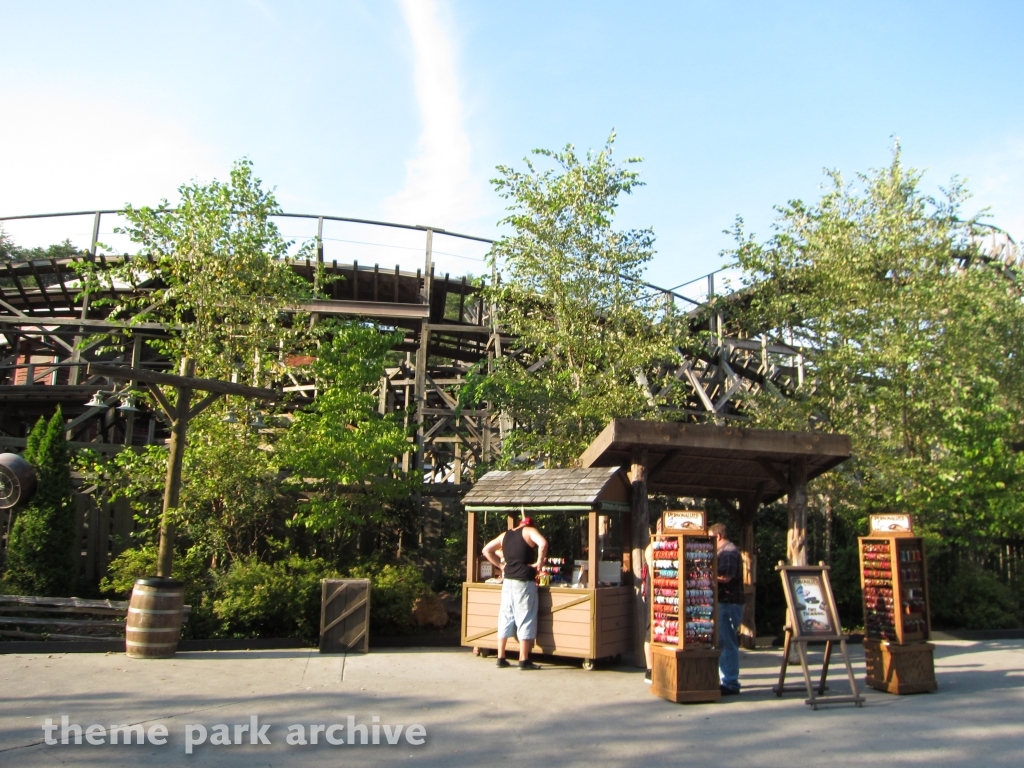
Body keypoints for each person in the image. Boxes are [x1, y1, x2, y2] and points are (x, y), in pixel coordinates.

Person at [482, 516, 548, 670]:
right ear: (530, 525)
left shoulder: (505, 535)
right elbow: (543, 543)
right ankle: (523, 659)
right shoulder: (529, 531)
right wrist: (539, 561)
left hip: (508, 581)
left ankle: (501, 657)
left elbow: (486, 550)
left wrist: (500, 565)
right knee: (525, 617)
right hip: (524, 581)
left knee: (505, 616)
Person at [710, 522, 744, 695]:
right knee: (722, 641)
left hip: (728, 602)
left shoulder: (728, 552)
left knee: (727, 641)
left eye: (710, 538)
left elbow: (726, 577)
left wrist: (705, 576)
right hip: (724, 602)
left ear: (717, 536)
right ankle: (725, 678)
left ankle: (730, 682)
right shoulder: (723, 551)